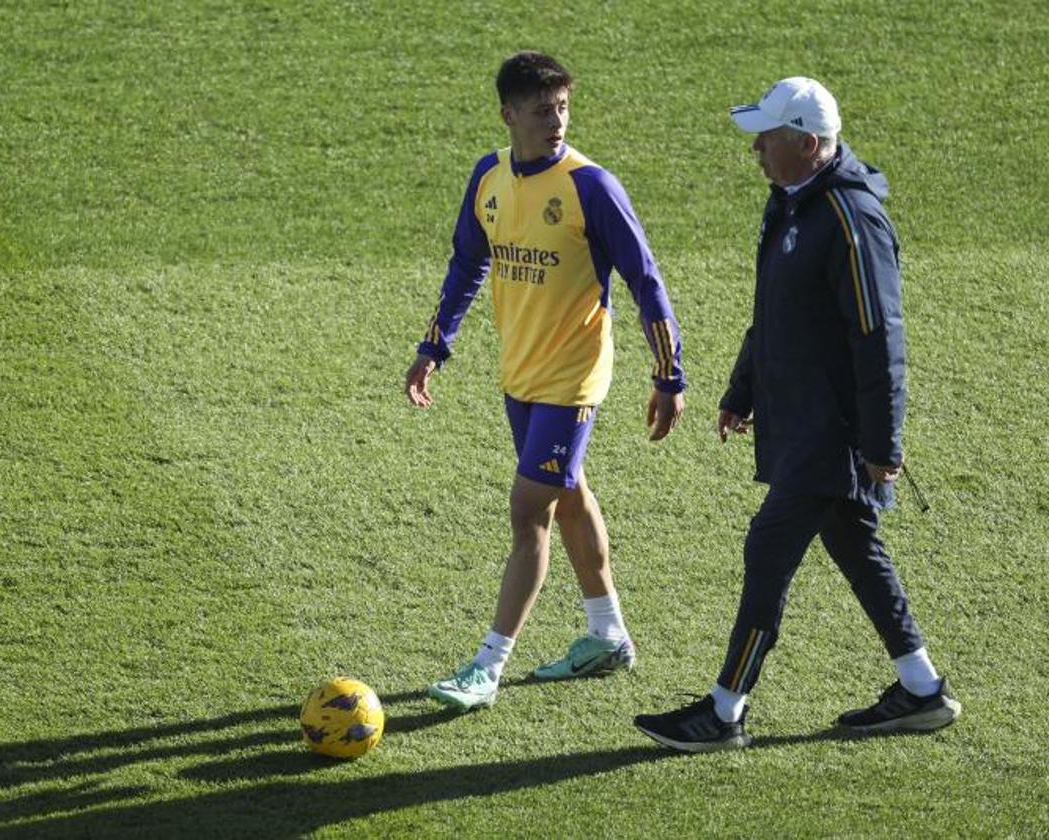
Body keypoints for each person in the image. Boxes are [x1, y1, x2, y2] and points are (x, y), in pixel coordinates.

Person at [634, 77, 961, 751]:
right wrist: (740, 391)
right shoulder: (790, 203)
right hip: (807, 422)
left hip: (831, 432)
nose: (755, 148)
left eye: (768, 137)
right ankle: (922, 689)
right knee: (853, 544)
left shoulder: (850, 218)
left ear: (808, 143)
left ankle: (724, 712)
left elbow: (880, 338)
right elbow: (774, 315)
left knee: (769, 549)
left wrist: (883, 443)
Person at [405, 51, 687, 711]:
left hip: (573, 377)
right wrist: (433, 347)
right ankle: (609, 633)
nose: (555, 121)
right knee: (567, 497)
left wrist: (669, 375)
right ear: (508, 115)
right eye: (541, 111)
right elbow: (467, 264)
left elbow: (645, 281)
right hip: (520, 373)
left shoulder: (590, 186)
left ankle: (486, 667)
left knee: (529, 509)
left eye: (562, 107)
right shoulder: (489, 178)